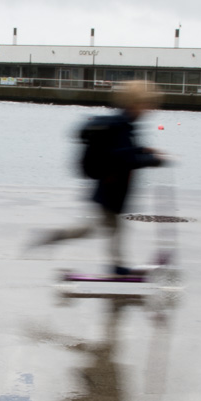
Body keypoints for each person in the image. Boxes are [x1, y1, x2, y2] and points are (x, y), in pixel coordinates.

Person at [31, 80, 167, 275]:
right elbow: (122, 157)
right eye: (147, 105)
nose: (150, 110)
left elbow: (125, 151)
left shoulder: (123, 124)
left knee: (97, 229)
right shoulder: (121, 126)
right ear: (134, 104)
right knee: (111, 229)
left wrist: (143, 151)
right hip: (110, 191)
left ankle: (57, 238)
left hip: (111, 190)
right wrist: (150, 159)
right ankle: (117, 267)